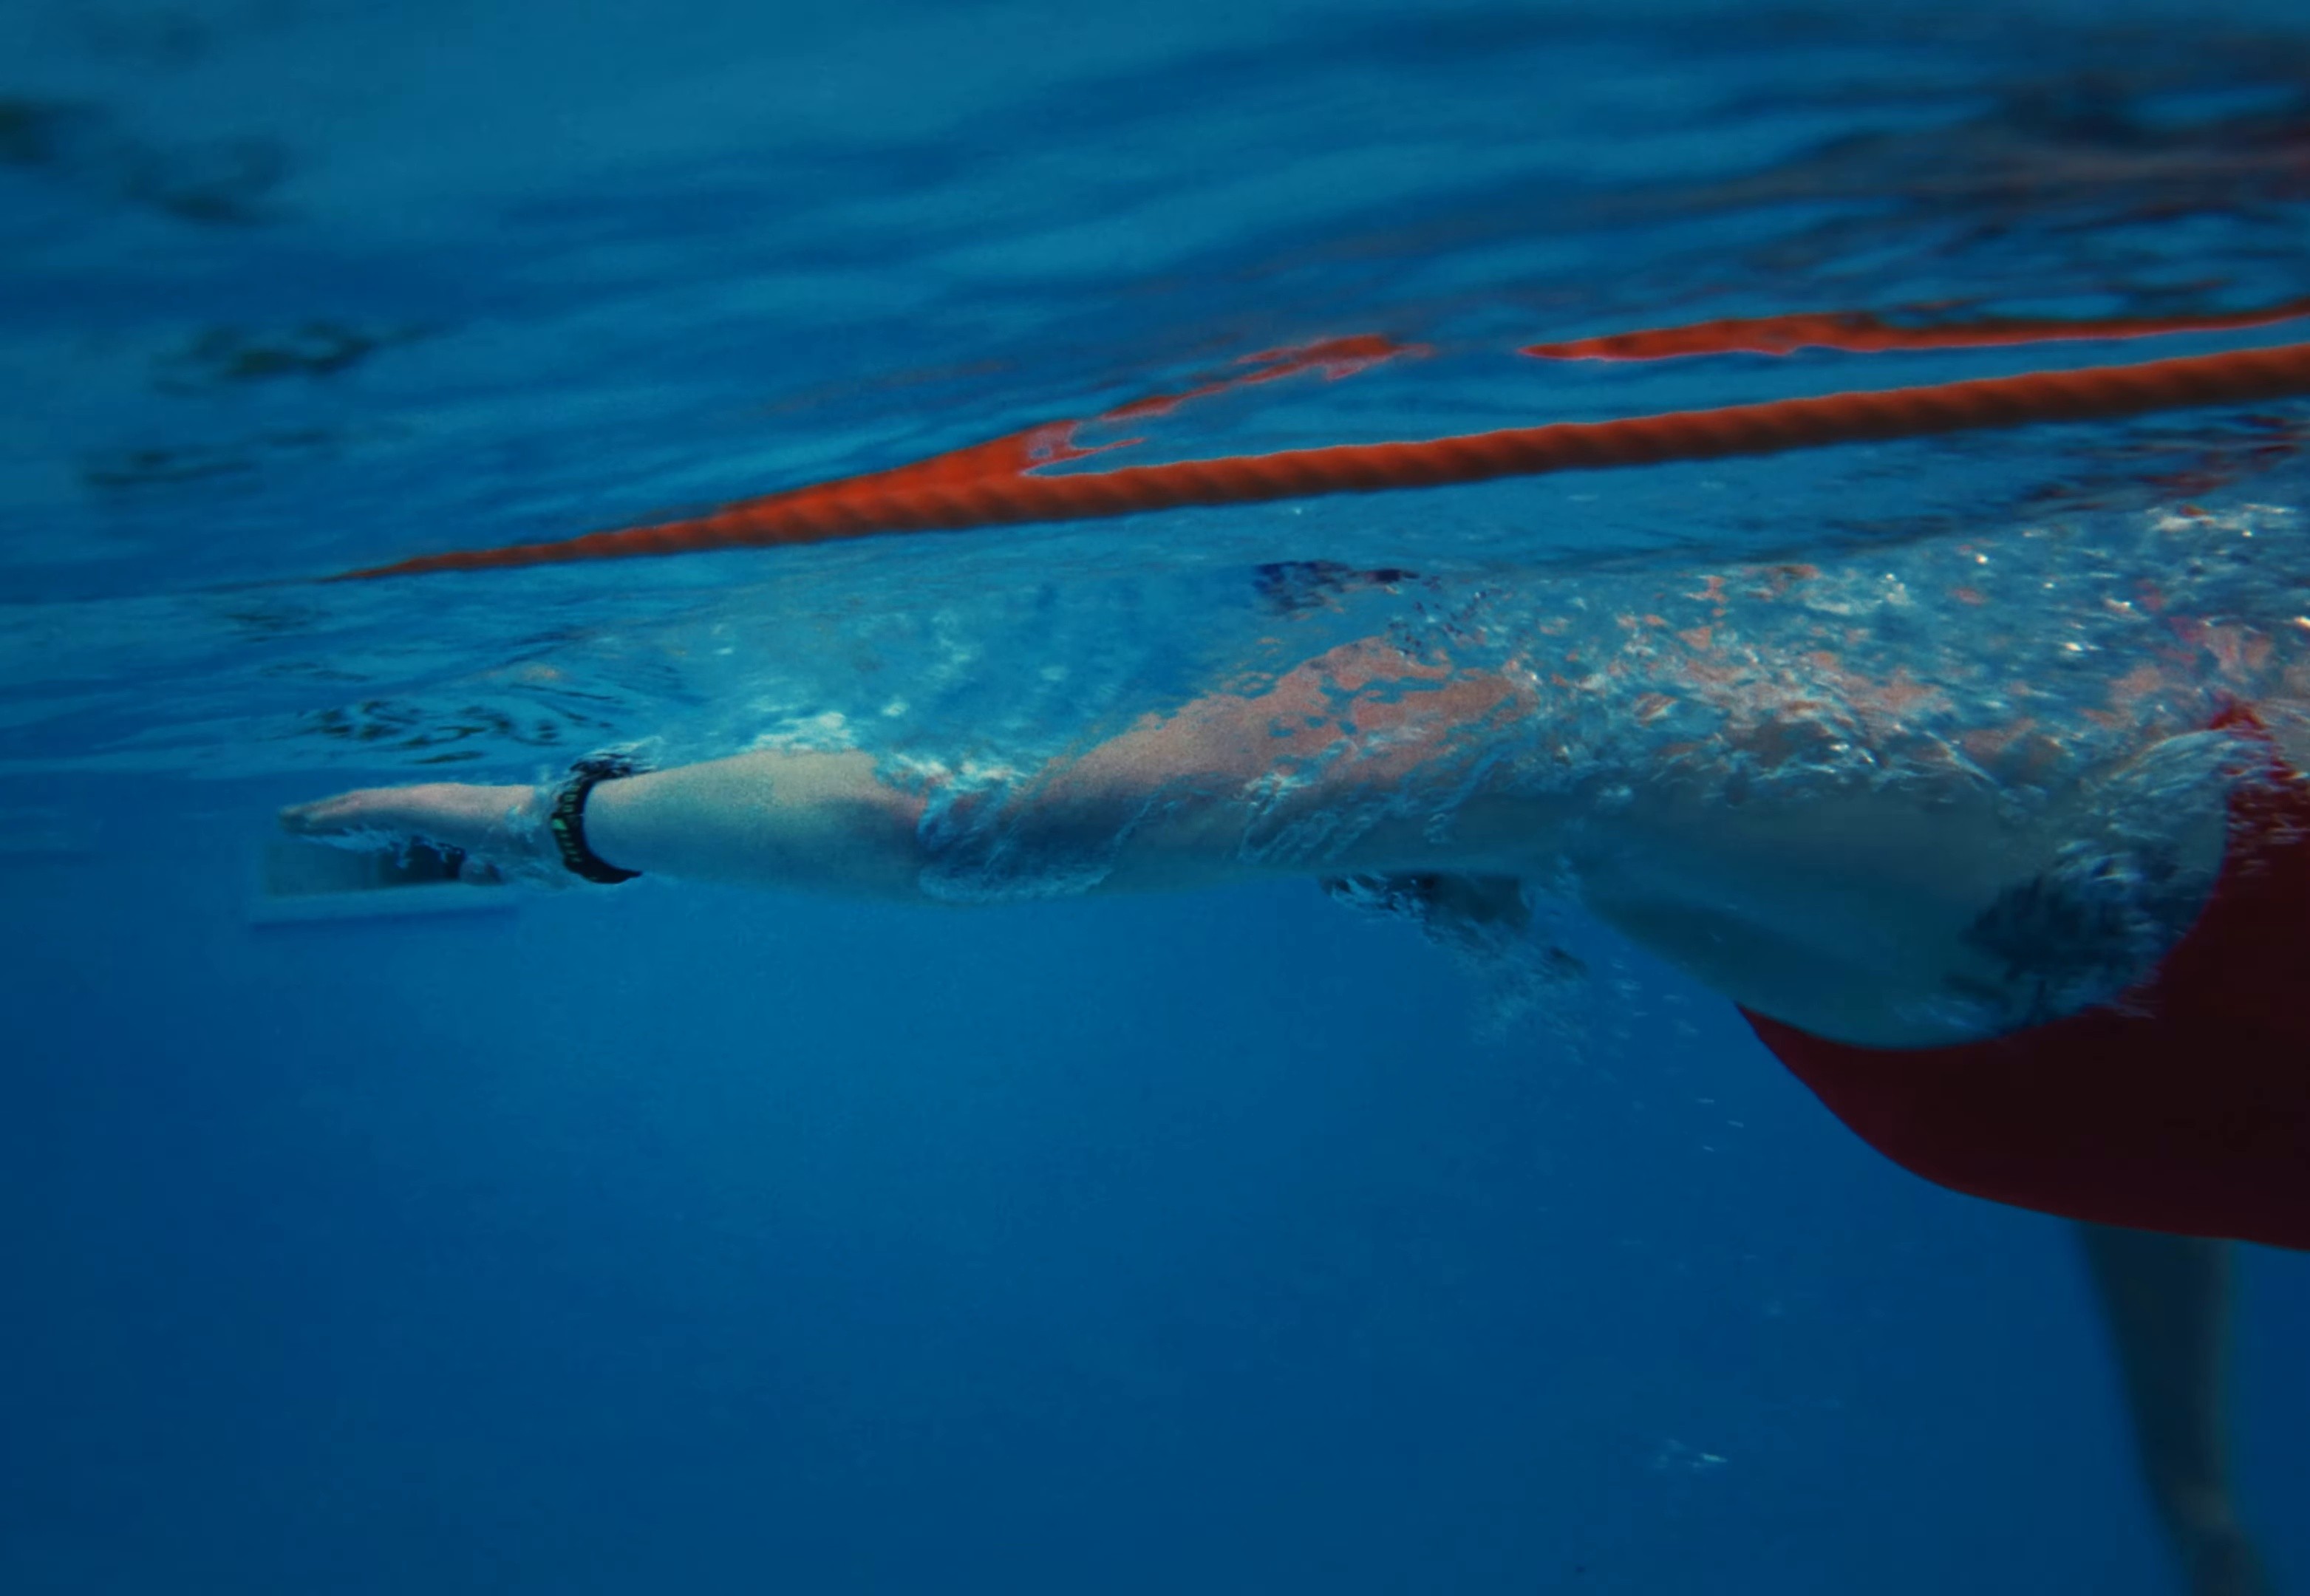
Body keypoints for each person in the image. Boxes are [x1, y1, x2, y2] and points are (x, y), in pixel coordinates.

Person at [281, 548, 2301, 1592]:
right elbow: (2126, 1097)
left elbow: (960, 840)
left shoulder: (1571, 706)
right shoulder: (1827, 808)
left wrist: (538, 815)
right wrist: (2196, 1494)